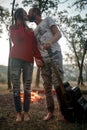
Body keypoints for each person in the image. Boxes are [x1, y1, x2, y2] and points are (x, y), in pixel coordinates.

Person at [28, 7, 65, 121]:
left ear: (35, 12)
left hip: (54, 55)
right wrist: (36, 59)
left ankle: (63, 112)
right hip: (43, 60)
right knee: (47, 87)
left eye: (30, 13)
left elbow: (58, 34)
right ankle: (50, 112)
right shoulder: (34, 32)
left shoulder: (48, 20)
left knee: (58, 84)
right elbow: (35, 49)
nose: (29, 15)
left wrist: (50, 42)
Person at [9, 8, 43, 122]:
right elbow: (17, 39)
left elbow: (34, 46)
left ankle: (26, 112)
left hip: (28, 61)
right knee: (16, 88)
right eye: (24, 13)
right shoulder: (13, 28)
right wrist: (20, 25)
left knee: (27, 88)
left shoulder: (31, 30)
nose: (27, 15)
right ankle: (19, 113)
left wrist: (38, 58)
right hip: (15, 59)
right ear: (19, 15)